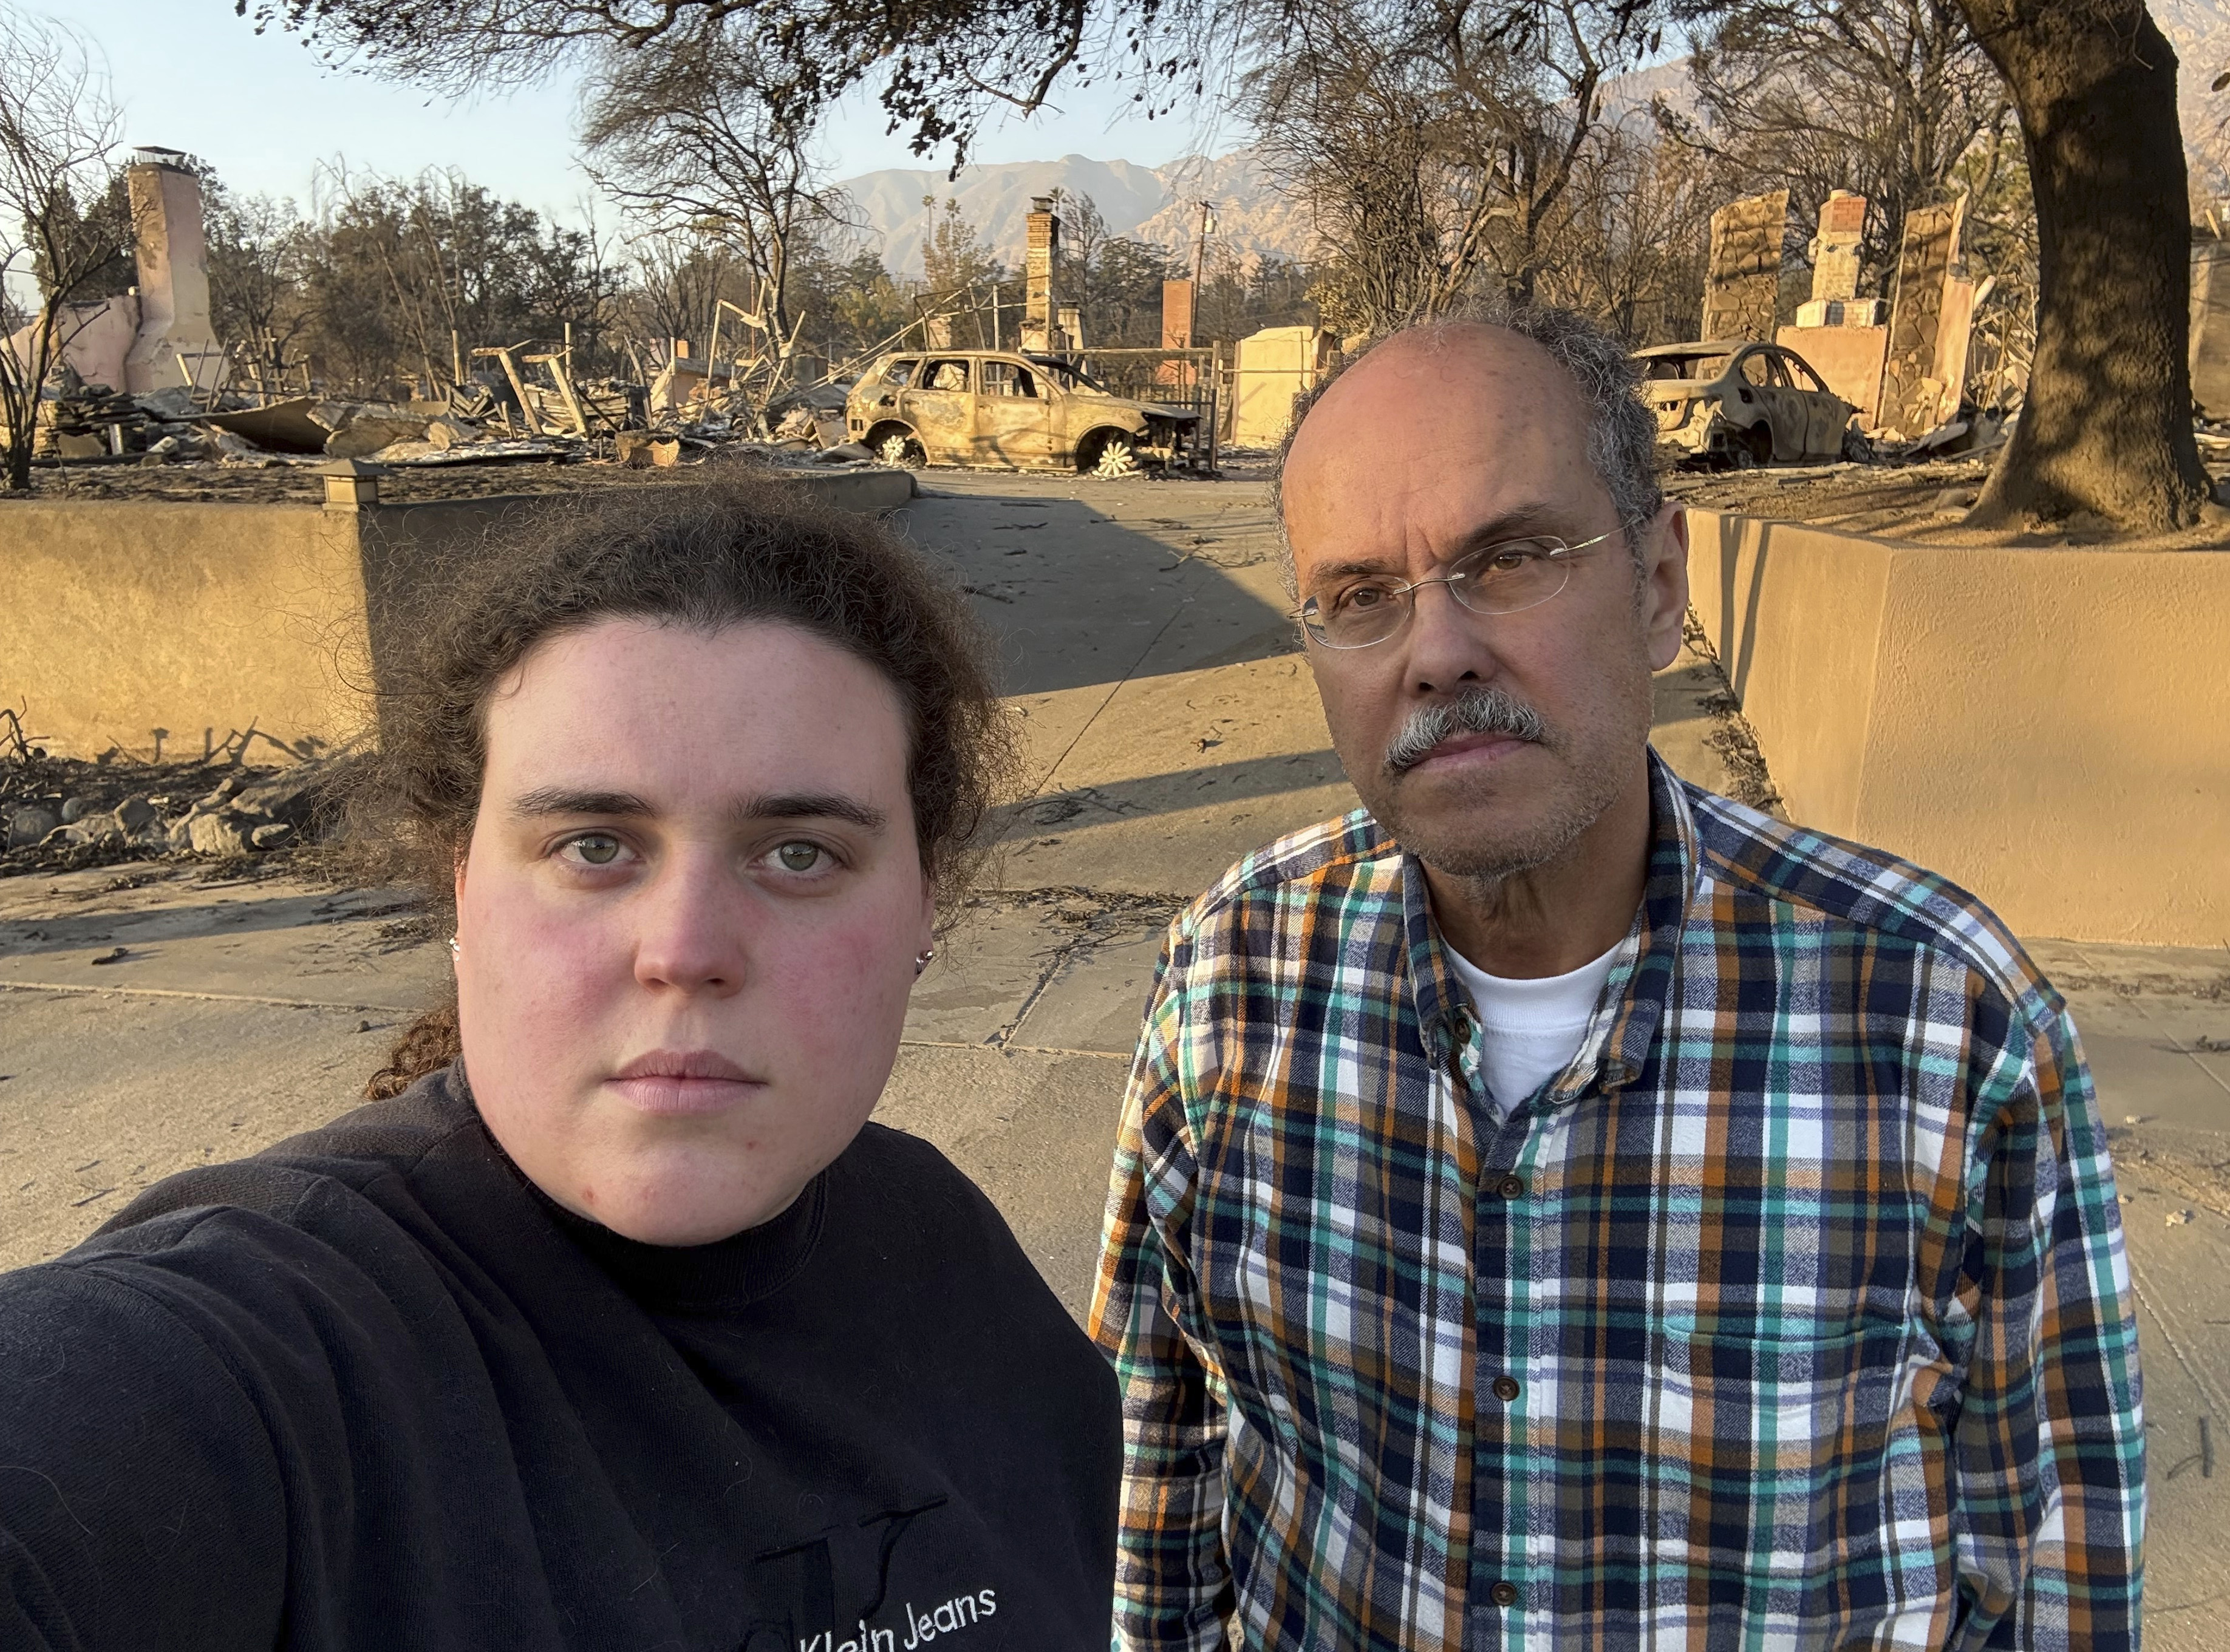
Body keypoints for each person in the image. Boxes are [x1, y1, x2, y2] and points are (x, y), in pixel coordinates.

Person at [1089, 304, 2143, 1650]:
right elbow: (1150, 1468)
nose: (1436, 649)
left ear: (1658, 586)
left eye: (1514, 557)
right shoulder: (1231, 984)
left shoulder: (1940, 1022)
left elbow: (2053, 1559)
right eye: (1359, 597)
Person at [0, 481, 1120, 1650]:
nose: (684, 950)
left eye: (800, 851)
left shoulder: (943, 1249)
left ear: (923, 904)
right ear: (465, 890)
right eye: (593, 846)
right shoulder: (276, 1350)